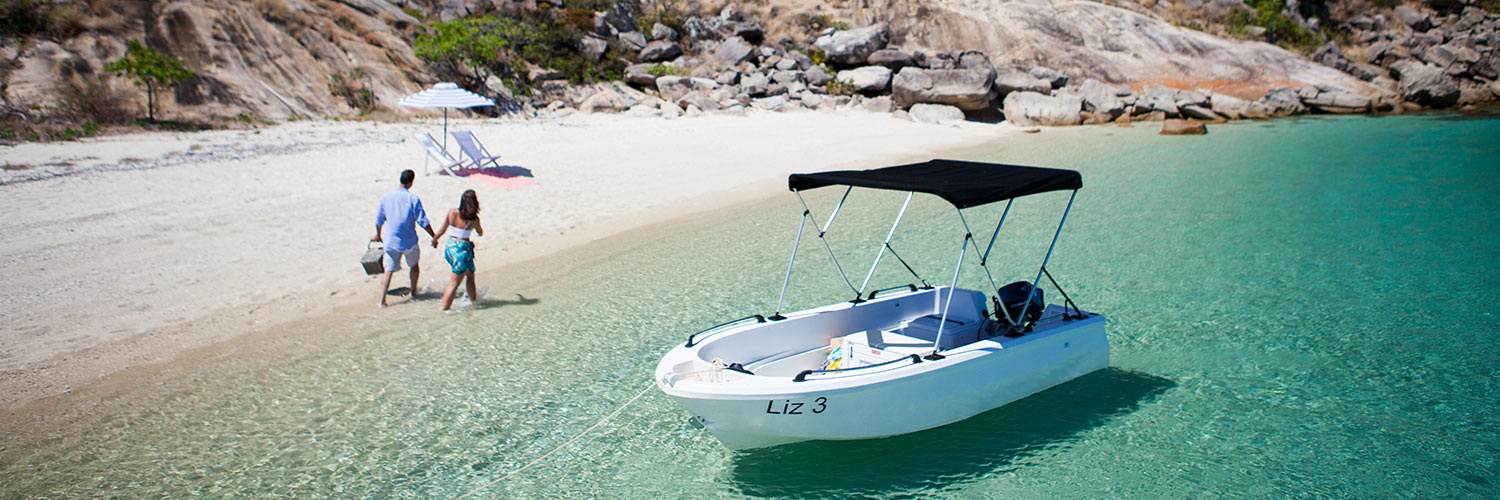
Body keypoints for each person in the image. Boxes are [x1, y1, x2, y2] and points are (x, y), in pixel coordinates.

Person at [373, 169, 437, 308]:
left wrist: (378, 234)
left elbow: (379, 220)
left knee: (388, 270)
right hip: (409, 241)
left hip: (390, 240)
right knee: (414, 265)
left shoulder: (386, 197)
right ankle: (413, 293)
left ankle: (382, 301)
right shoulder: (412, 198)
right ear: (411, 182)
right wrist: (433, 236)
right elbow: (422, 221)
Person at [432, 189, 484, 310]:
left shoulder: (452, 212)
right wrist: (478, 230)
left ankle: (474, 302)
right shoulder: (474, 219)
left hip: (450, 248)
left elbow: (441, 230)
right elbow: (480, 232)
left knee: (470, 275)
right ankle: (445, 308)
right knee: (454, 283)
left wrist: (434, 240)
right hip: (462, 251)